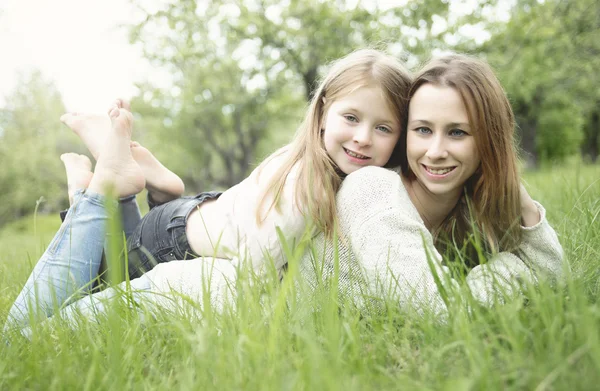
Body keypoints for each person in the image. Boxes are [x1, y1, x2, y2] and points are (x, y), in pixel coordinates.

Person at [4, 49, 412, 332]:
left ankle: (118, 182)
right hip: (175, 243)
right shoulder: (307, 184)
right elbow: (256, 267)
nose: (362, 137)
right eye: (352, 118)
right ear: (322, 113)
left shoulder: (321, 164)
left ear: (399, 137)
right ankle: (101, 187)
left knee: (106, 268)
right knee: (93, 288)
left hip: (197, 216)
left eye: (382, 128)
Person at [299, 54, 564, 317]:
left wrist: (521, 202)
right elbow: (442, 312)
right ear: (406, 134)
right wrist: (515, 267)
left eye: (457, 132)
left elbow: (555, 275)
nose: (436, 152)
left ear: (490, 141)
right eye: (423, 130)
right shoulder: (371, 190)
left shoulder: (468, 211)